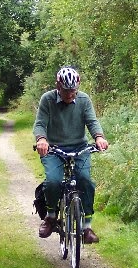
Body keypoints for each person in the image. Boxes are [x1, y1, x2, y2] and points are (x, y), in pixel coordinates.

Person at [33, 66, 109, 244]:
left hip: (79, 148)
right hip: (53, 149)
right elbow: (40, 124)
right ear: (58, 86)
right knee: (53, 181)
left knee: (85, 181)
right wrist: (42, 140)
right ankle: (51, 217)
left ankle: (86, 227)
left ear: (78, 86)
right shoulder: (48, 99)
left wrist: (99, 137)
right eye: (66, 91)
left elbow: (92, 121)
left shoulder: (84, 100)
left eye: (73, 91)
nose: (69, 95)